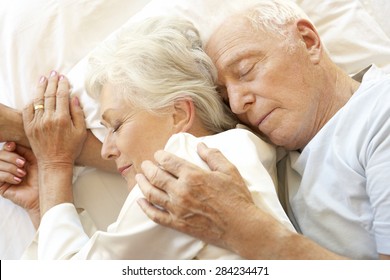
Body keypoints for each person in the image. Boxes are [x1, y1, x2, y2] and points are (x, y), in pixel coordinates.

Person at [3, 16, 294, 259]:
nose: (106, 150)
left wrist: (54, 165)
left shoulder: (189, 172)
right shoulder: (246, 150)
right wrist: (42, 208)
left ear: (178, 114)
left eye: (116, 126)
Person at [135, 0, 390, 259]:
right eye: (224, 98)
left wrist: (241, 225)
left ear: (308, 41)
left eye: (245, 71)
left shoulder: (380, 112)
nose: (236, 103)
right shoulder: (271, 153)